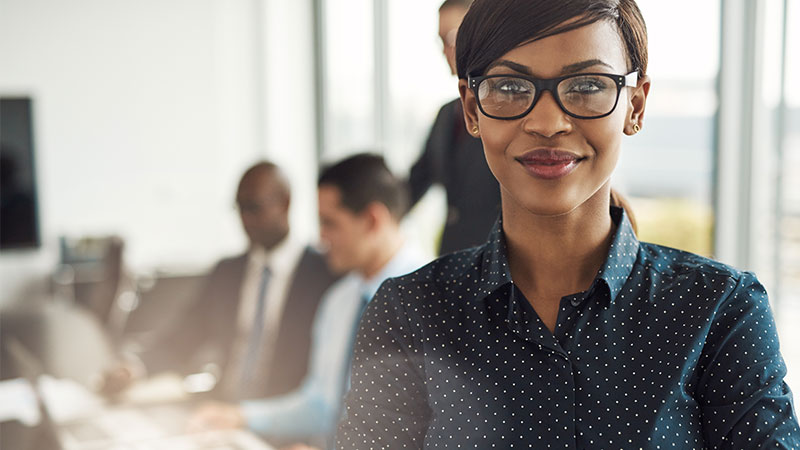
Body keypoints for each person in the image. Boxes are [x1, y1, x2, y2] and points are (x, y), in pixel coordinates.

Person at [336, 1, 800, 448]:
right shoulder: (409, 313)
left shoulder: (720, 312)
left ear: (635, 106)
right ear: (472, 108)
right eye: (510, 87)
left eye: (586, 85)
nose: (547, 122)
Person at [189, 154, 427, 447]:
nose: (321, 237)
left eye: (330, 223)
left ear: (371, 220)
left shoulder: (437, 302)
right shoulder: (339, 301)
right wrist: (242, 416)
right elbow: (321, 406)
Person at [102, 161, 339, 401]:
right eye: (240, 208)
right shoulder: (227, 273)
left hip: (286, 421)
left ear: (285, 202)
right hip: (222, 411)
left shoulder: (323, 274)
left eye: (254, 207)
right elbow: (183, 336)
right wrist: (134, 368)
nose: (246, 219)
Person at [407, 0, 501, 255]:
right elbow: (417, 180)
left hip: (498, 259)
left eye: (452, 37)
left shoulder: (508, 111)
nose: (445, 50)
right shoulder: (446, 114)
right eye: (441, 41)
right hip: (453, 256)